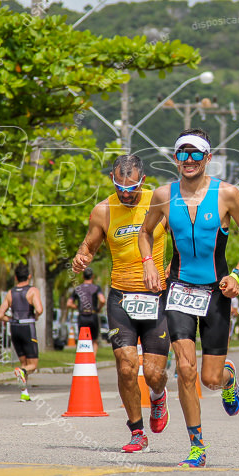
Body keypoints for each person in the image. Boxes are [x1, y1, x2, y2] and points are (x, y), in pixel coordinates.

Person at [139, 129, 239, 468]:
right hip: (177, 289)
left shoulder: (227, 194)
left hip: (215, 293)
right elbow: (145, 232)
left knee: (209, 378)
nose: (189, 161)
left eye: (196, 154)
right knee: (184, 368)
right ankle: (196, 447)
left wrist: (238, 273)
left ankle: (227, 378)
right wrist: (150, 263)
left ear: (208, 158)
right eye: (183, 154)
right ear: (175, 158)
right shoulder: (164, 195)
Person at [71, 154, 171, 454]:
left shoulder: (160, 202)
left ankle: (158, 394)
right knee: (127, 367)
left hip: (157, 295)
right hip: (121, 297)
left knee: (153, 373)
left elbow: (182, 242)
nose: (126, 193)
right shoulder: (103, 211)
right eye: (119, 186)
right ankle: (137, 431)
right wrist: (81, 256)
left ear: (143, 180)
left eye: (132, 187)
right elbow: (89, 245)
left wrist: (170, 271)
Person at [0, 263, 43, 401]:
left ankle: (24, 393)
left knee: (24, 362)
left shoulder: (10, 293)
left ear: (16, 277)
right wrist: (35, 315)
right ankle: (22, 373)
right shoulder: (32, 291)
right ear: (29, 276)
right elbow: (39, 309)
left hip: (14, 328)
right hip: (27, 327)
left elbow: (0, 315)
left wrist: (11, 319)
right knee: (32, 365)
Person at [68, 267, 105, 351]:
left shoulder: (78, 289)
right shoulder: (96, 288)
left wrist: (77, 307)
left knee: (82, 339)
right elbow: (102, 300)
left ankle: (83, 358)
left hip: (82, 316)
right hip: (93, 315)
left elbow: (69, 303)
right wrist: (99, 308)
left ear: (83, 277)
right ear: (93, 277)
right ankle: (93, 360)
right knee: (94, 340)